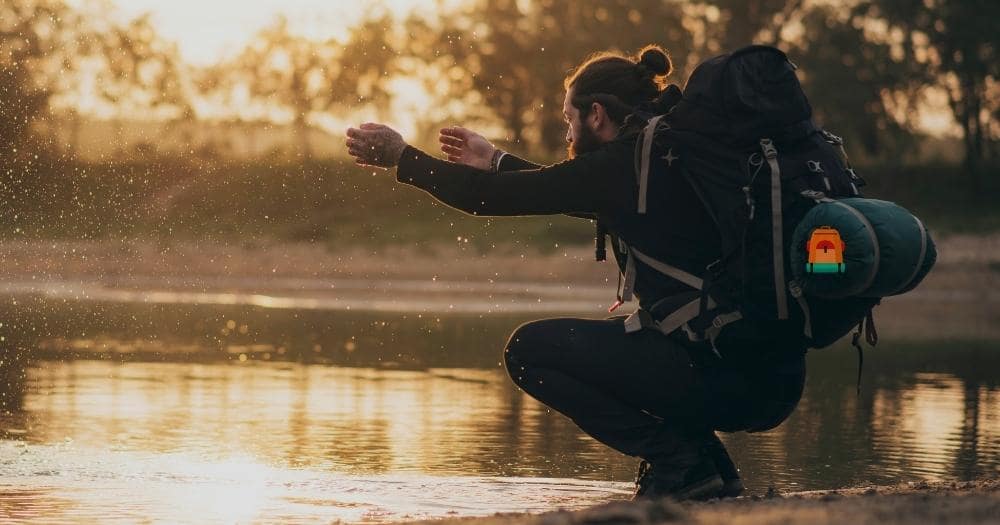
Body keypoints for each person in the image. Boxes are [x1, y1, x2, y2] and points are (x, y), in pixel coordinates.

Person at [345, 45, 807, 501]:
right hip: (771, 377)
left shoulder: (626, 163)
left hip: (726, 374)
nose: (568, 130)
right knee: (650, 339)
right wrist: (497, 161)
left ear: (597, 114)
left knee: (530, 351)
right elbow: (570, 189)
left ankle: (679, 461)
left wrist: (403, 158)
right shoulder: (666, 152)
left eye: (569, 119)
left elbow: (492, 199)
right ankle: (710, 470)